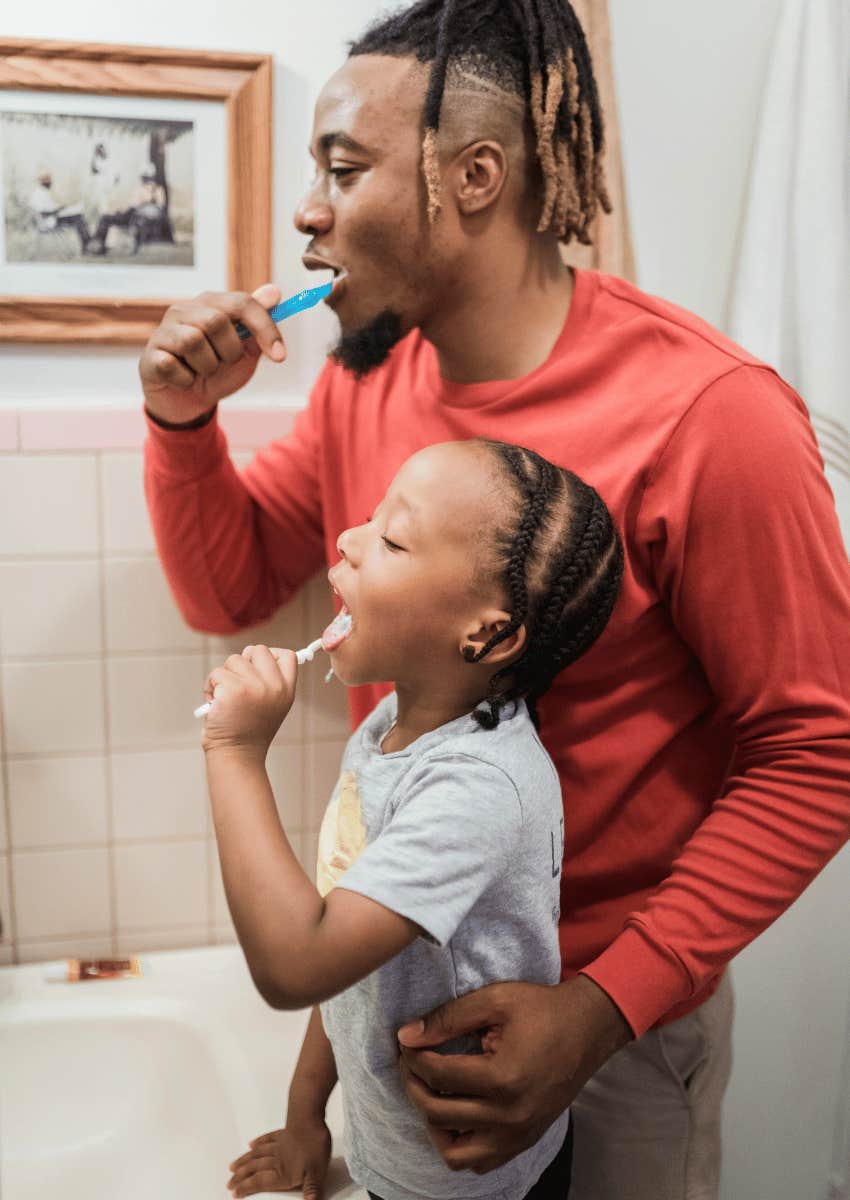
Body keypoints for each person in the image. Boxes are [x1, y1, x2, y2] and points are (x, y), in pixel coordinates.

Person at [138, 2, 850, 1197]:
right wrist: (180, 423)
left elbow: (817, 750)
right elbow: (232, 582)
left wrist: (601, 1008)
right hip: (398, 979)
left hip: (614, 1025)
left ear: (474, 177)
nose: (307, 211)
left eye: (342, 168)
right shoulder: (365, 384)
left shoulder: (711, 415)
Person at [203, 436, 623, 1200]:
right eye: (371, 518)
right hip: (395, 1159)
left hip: (465, 1180)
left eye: (392, 540)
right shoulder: (390, 731)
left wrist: (235, 751)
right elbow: (351, 963)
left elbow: (299, 963)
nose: (347, 540)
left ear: (487, 634)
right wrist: (306, 1116)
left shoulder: (476, 789)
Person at [87, 164, 166, 255]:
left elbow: (134, 207)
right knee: (111, 217)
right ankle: (97, 244)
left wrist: (123, 212)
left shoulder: (142, 189)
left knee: (106, 218)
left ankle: (97, 244)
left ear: (143, 177)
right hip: (144, 218)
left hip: (134, 217)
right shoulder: (159, 190)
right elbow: (160, 207)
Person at [28, 170, 90, 252]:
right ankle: (87, 246)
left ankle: (88, 245)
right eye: (49, 181)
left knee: (78, 216)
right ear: (45, 182)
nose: (51, 183)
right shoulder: (39, 194)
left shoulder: (41, 192)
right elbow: (44, 213)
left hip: (51, 218)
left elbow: (48, 207)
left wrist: (60, 208)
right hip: (48, 222)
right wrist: (58, 209)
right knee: (78, 218)